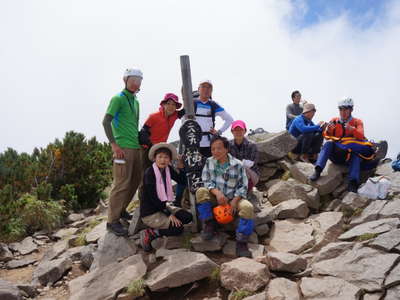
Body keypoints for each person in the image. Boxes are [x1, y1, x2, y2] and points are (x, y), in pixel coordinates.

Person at [310, 97, 387, 192]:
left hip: (350, 154)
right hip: (338, 155)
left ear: (351, 110)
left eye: (346, 109)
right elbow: (327, 136)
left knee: (356, 155)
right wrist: (329, 130)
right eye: (341, 109)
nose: (343, 112)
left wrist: (352, 129)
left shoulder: (357, 122)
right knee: (329, 144)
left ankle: (353, 183)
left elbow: (361, 135)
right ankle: (318, 170)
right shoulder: (334, 120)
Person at [195, 136, 254, 258]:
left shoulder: (237, 164)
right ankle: (209, 224)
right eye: (213, 149)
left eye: (219, 148)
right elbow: (206, 180)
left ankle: (242, 243)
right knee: (201, 192)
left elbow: (243, 185)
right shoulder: (209, 161)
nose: (215, 151)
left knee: (248, 207)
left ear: (227, 149)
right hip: (216, 196)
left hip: (234, 198)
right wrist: (217, 193)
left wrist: (235, 201)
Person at [102, 68, 143, 236]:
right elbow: (106, 122)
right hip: (122, 148)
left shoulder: (136, 101)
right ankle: (112, 221)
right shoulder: (118, 98)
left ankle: (122, 210)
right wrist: (114, 145)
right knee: (121, 184)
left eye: (139, 80)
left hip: (135, 147)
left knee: (134, 181)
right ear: (125, 79)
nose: (136, 83)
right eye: (133, 79)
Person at [139, 143, 193, 251]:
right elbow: (153, 198)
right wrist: (168, 214)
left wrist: (181, 166)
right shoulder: (149, 173)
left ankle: (164, 223)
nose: (163, 160)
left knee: (188, 217)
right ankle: (151, 232)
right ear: (154, 158)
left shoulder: (167, 169)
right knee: (178, 228)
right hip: (151, 212)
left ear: (169, 160)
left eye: (166, 157)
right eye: (160, 157)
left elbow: (182, 180)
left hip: (164, 206)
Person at [139, 93, 184, 171]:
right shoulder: (153, 116)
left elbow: (185, 111)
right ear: (163, 104)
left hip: (162, 148)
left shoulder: (174, 115)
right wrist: (148, 144)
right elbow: (144, 131)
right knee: (147, 171)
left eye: (173, 104)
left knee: (162, 171)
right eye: (168, 103)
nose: (171, 106)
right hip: (149, 148)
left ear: (176, 107)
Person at [194, 80, 233, 158]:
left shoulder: (213, 105)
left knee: (210, 168)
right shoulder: (191, 103)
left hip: (210, 145)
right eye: (203, 87)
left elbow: (229, 119)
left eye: (209, 88)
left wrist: (219, 132)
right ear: (198, 89)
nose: (206, 89)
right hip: (193, 143)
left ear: (211, 91)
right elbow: (184, 121)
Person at [229, 120, 260, 191]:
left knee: (244, 169)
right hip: (233, 173)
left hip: (251, 175)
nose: (238, 132)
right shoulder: (228, 145)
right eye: (236, 130)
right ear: (232, 132)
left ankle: (247, 190)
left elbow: (251, 164)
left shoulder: (252, 145)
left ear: (245, 131)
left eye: (241, 130)